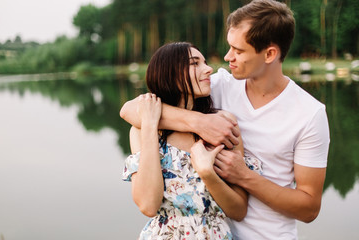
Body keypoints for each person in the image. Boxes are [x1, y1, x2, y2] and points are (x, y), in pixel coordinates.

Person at [120, 0, 330, 239]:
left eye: (238, 51)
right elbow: (131, 110)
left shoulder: (309, 114)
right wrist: (198, 122)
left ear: (270, 53)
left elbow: (309, 208)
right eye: (230, 46)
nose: (228, 57)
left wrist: (244, 176)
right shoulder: (219, 86)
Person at [122, 42, 262, 239]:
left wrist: (207, 173)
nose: (208, 69)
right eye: (194, 63)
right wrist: (150, 126)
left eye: (204, 62)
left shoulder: (223, 125)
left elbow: (238, 211)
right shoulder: (141, 130)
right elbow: (148, 205)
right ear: (169, 73)